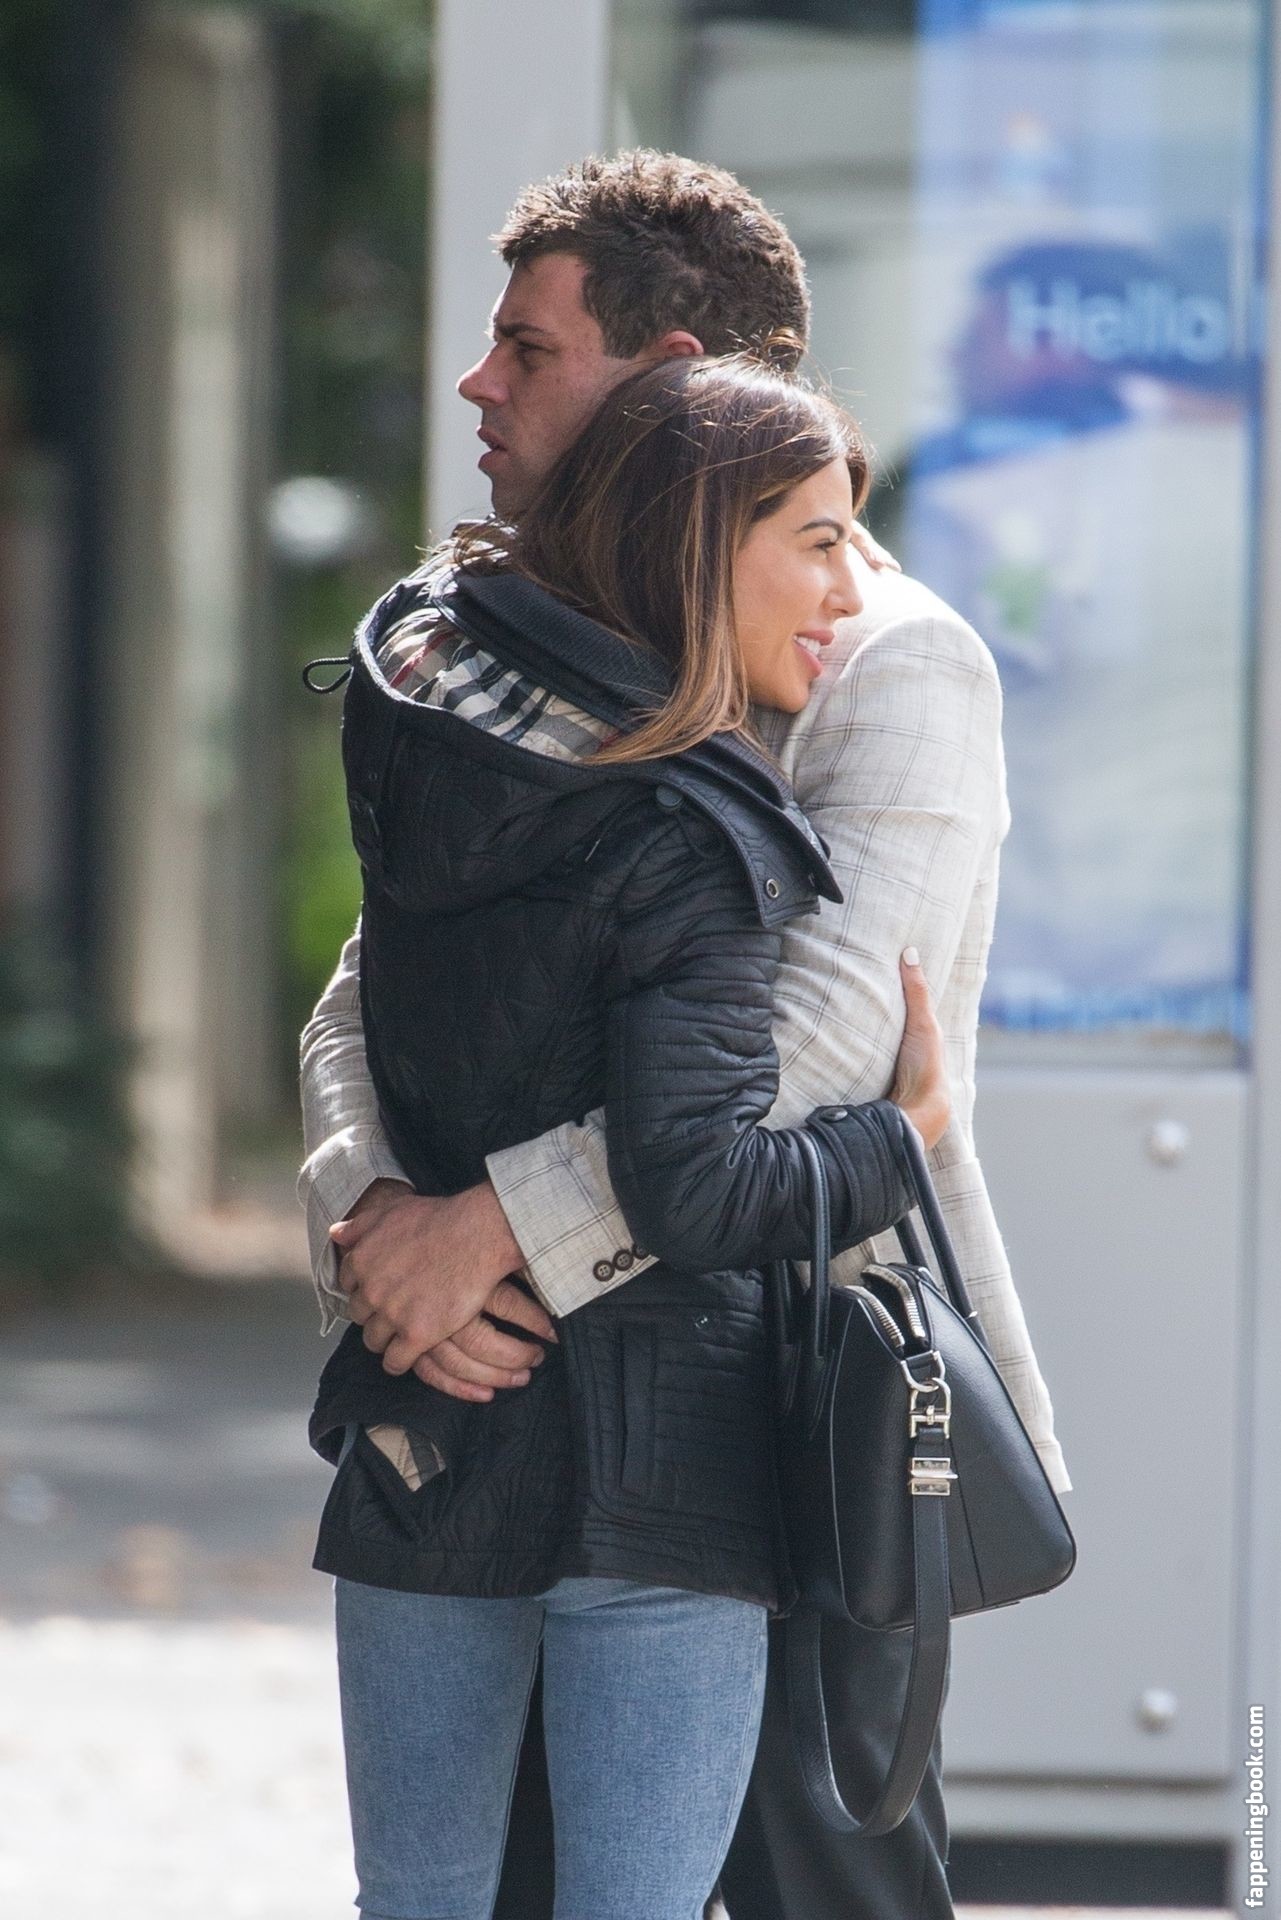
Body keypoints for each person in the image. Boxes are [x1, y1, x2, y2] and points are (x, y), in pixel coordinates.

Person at [299, 152, 1071, 1920]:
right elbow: (376, 973)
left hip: (785, 1406)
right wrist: (368, 1212)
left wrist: (476, 1238)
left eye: (528, 348)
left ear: (667, 381)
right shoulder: (484, 653)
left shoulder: (888, 656)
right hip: (490, 1400)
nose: (478, 384)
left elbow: (820, 1043)